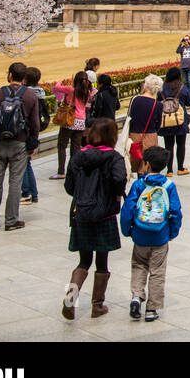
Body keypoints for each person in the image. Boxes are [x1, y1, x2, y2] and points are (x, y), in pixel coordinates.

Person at [62, 116, 127, 320]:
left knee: (83, 261)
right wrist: (115, 194)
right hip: (104, 214)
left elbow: (69, 186)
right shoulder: (114, 157)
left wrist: (83, 196)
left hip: (81, 213)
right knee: (102, 262)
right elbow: (119, 179)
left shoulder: (78, 157)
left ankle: (69, 301)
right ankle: (97, 305)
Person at [120, 145, 183, 321]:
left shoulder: (139, 185)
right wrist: (172, 232)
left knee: (139, 265)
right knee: (157, 271)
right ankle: (152, 309)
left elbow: (128, 209)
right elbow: (176, 211)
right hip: (160, 235)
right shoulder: (169, 186)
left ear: (146, 164)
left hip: (140, 235)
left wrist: (128, 230)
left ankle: (136, 296)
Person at [0, 62, 41, 231]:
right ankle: (11, 220)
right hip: (19, 143)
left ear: (9, 75)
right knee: (15, 183)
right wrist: (32, 142)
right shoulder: (30, 96)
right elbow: (35, 124)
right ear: (24, 77)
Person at [50, 71, 93, 180]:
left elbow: (57, 87)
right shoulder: (87, 92)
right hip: (81, 122)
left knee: (62, 145)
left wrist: (61, 81)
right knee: (75, 148)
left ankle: (61, 171)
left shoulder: (70, 90)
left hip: (70, 120)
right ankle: (74, 170)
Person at [18, 66, 49, 205]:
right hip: (34, 133)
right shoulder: (40, 93)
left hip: (26, 132)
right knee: (27, 163)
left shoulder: (26, 94)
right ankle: (33, 193)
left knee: (23, 164)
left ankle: (26, 193)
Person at [157, 67, 190, 177]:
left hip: (166, 121)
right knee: (181, 144)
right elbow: (189, 102)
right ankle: (180, 168)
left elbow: (158, 101)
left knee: (168, 146)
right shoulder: (182, 88)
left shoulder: (162, 89)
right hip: (180, 120)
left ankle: (169, 170)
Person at [126, 74, 164, 178]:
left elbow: (129, 117)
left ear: (145, 86)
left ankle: (138, 184)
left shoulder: (134, 100)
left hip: (134, 134)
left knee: (136, 160)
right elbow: (158, 124)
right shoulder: (158, 104)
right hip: (150, 135)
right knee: (148, 163)